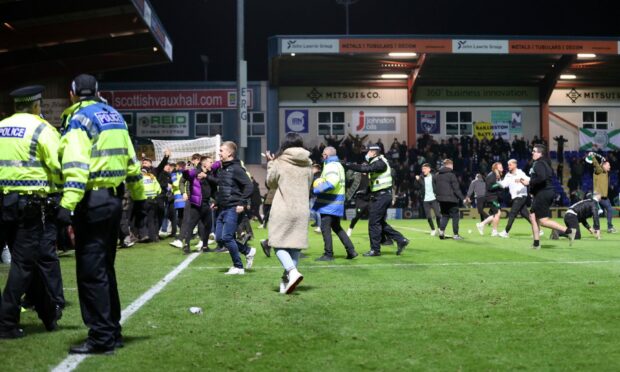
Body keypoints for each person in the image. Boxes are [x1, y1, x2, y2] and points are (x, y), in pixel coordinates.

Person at [56, 74, 145, 354]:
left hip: (91, 202)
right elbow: (132, 163)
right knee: (105, 268)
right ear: (98, 91)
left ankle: (101, 337)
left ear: (72, 94)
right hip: (114, 200)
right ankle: (112, 331)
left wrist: (65, 205)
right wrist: (140, 198)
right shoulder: (115, 117)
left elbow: (76, 166)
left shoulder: (79, 120)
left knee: (91, 272)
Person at [0, 85, 65, 339]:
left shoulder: (1, 127)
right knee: (25, 264)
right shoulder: (42, 129)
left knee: (30, 261)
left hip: (2, 201)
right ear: (37, 105)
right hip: (30, 205)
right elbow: (58, 165)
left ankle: (48, 313)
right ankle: (6, 322)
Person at [265, 133, 313, 294]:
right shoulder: (308, 163)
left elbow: (270, 183)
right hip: (302, 208)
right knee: (295, 245)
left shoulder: (279, 161)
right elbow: (309, 184)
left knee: (276, 242)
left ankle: (292, 272)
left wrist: (270, 164)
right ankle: (286, 281)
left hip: (283, 207)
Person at [344, 144, 409, 256]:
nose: (367, 153)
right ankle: (401, 240)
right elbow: (375, 183)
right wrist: (365, 192)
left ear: (374, 152)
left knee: (373, 223)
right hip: (381, 196)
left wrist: (348, 164)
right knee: (379, 222)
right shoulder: (377, 163)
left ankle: (375, 250)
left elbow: (365, 169)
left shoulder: (380, 162)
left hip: (382, 196)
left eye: (368, 151)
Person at [520, 144, 574, 249]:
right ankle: (536, 243)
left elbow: (542, 177)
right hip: (545, 193)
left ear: (540, 153)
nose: (532, 152)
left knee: (543, 221)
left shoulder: (539, 164)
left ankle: (569, 231)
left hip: (543, 193)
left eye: (534, 151)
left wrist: (529, 182)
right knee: (533, 217)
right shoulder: (543, 163)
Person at [213, 141, 256, 275]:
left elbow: (249, 186)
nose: (219, 153)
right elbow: (225, 188)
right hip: (222, 208)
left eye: (221, 151)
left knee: (227, 237)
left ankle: (238, 267)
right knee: (220, 239)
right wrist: (217, 201)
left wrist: (242, 203)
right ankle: (247, 251)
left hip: (233, 208)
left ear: (229, 153)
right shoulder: (223, 168)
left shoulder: (237, 168)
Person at [312, 146, 358, 261]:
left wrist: (317, 189)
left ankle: (328, 254)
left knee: (325, 227)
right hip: (336, 202)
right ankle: (351, 251)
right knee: (337, 227)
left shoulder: (331, 166)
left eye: (323, 154)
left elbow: (331, 183)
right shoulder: (338, 165)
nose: (322, 156)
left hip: (329, 203)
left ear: (326, 155)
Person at [180, 156, 217, 254]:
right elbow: (187, 175)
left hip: (206, 204)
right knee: (191, 225)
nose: (212, 164)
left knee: (208, 226)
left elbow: (215, 186)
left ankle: (205, 246)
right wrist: (185, 171)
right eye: (210, 162)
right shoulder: (195, 172)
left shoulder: (210, 174)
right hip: (196, 204)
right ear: (204, 163)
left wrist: (215, 201)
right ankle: (186, 245)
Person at [498, 159, 533, 238]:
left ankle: (506, 231)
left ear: (515, 165)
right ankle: (538, 229)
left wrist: (521, 180)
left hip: (521, 196)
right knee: (525, 214)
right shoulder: (508, 175)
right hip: (515, 197)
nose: (508, 166)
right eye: (508, 165)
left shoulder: (520, 173)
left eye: (510, 164)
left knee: (512, 213)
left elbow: (529, 180)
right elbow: (503, 185)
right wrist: (497, 179)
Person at [434, 159, 465, 240]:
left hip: (441, 199)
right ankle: (455, 235)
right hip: (451, 199)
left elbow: (435, 187)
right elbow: (456, 189)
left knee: (445, 215)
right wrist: (463, 198)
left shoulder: (437, 175)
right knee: (455, 216)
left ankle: (441, 232)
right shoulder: (451, 175)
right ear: (450, 165)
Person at [475, 162, 503, 236]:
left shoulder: (497, 175)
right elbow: (489, 187)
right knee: (497, 213)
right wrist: (499, 184)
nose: (502, 168)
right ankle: (494, 231)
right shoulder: (491, 175)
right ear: (496, 168)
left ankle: (481, 224)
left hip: (494, 197)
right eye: (500, 167)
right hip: (491, 197)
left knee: (496, 214)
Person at [591, 153, 616, 233]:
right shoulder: (599, 171)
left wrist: (603, 160)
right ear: (604, 166)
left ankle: (609, 227)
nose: (610, 167)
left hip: (604, 197)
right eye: (608, 165)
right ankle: (597, 227)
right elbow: (597, 165)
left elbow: (602, 163)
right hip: (598, 197)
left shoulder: (605, 172)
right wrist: (592, 157)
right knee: (597, 213)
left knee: (609, 210)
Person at [414, 163, 441, 236]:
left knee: (438, 215)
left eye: (425, 169)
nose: (423, 170)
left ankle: (439, 228)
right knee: (428, 217)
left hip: (434, 199)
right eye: (422, 169)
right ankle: (433, 229)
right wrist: (417, 180)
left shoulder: (433, 176)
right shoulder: (421, 177)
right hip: (425, 200)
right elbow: (416, 186)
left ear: (429, 169)